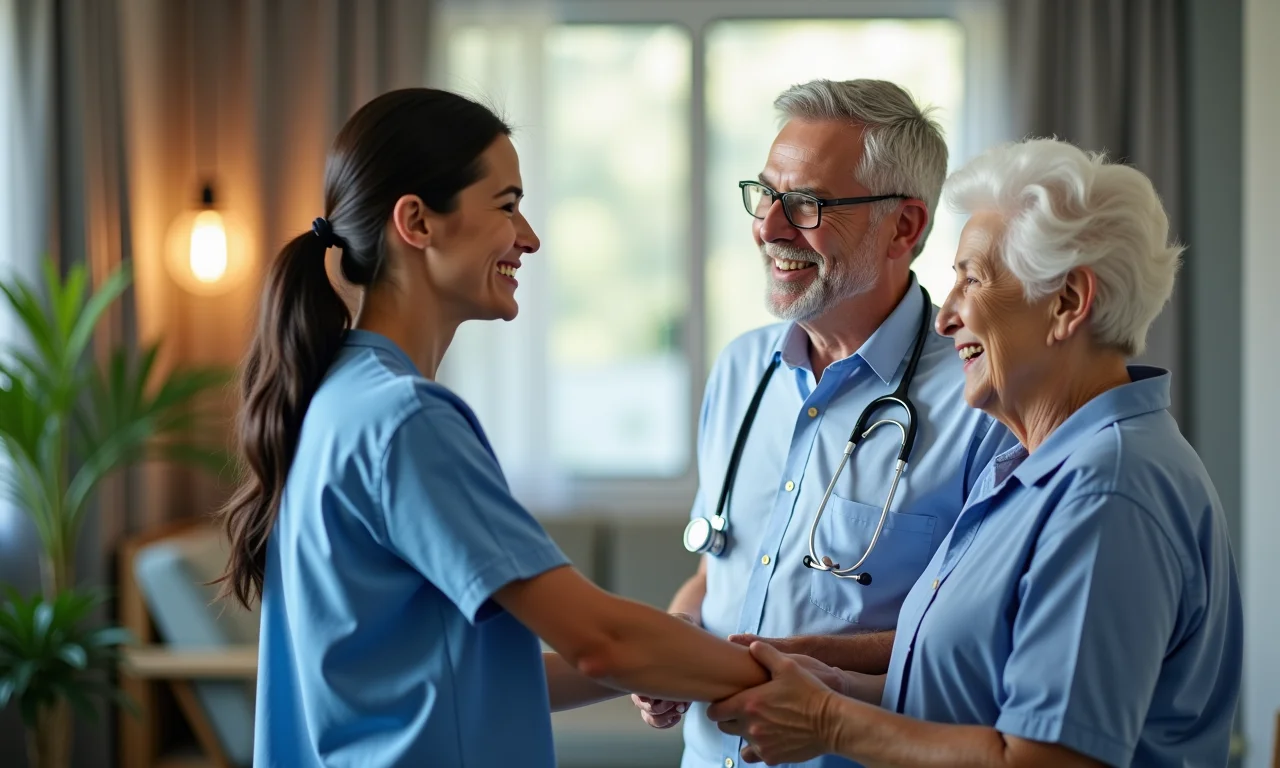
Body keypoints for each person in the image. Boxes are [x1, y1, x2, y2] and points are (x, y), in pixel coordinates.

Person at [212, 88, 769, 768]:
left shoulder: (336, 399)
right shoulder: (404, 420)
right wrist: (790, 683)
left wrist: (673, 660)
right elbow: (599, 639)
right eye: (507, 206)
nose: (529, 237)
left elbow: (457, 681)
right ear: (416, 221)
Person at [705, 138, 1243, 768]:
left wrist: (828, 721)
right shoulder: (1024, 470)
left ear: (1068, 303)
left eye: (972, 280)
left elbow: (1052, 760)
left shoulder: (1110, 490)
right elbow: (958, 685)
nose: (945, 317)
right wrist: (828, 677)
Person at [632, 78, 1016, 768]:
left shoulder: (981, 401)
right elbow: (717, 569)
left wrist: (790, 659)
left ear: (905, 227)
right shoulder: (741, 370)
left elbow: (979, 639)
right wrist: (680, 633)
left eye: (807, 204)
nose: (770, 227)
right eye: (767, 194)